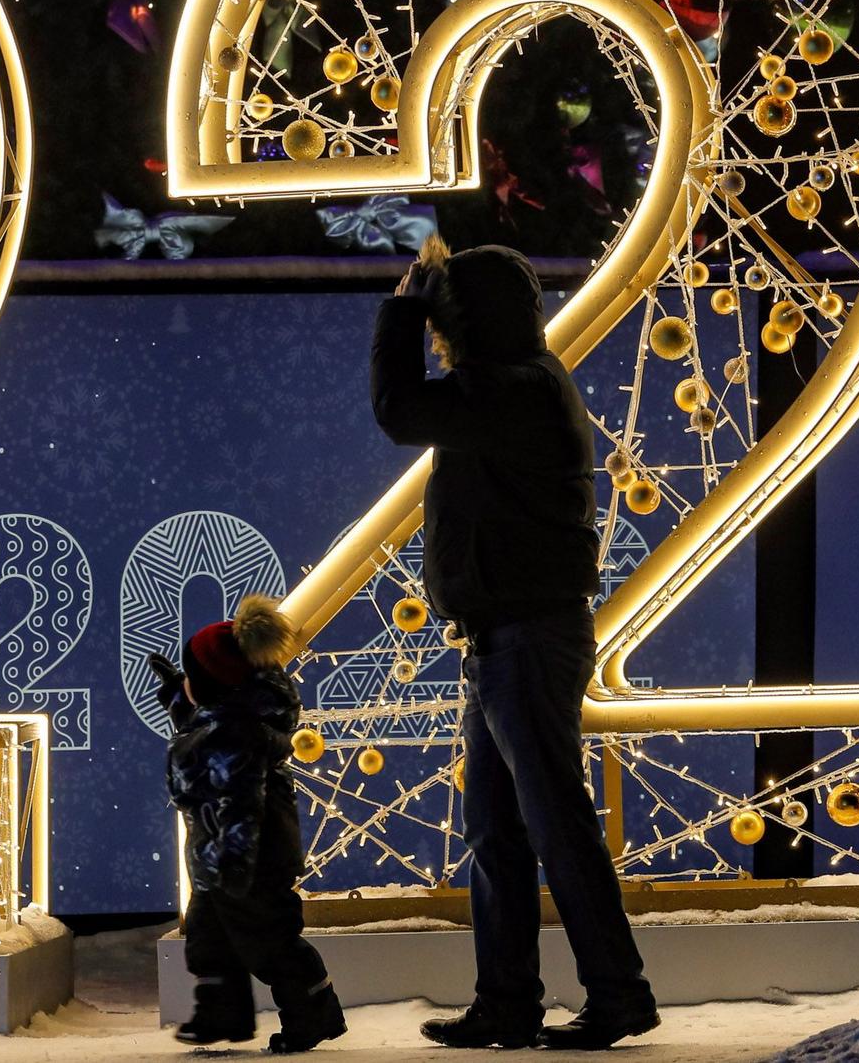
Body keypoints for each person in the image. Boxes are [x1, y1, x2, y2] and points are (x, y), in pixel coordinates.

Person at [372, 237, 657, 1051]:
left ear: (467, 318)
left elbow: (397, 411)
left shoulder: (516, 390)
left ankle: (618, 994)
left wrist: (401, 307)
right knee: (499, 832)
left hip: (528, 636)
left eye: (444, 317)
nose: (437, 334)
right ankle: (507, 1001)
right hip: (505, 636)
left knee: (552, 823)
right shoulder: (513, 384)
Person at [148, 596, 347, 1055]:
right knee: (207, 936)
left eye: (194, 680)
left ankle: (313, 1013)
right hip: (217, 855)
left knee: (269, 940)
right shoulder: (227, 715)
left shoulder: (235, 737)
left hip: (248, 858)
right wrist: (179, 692)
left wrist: (234, 865)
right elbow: (203, 716)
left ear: (215, 688)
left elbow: (240, 806)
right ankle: (222, 1013)